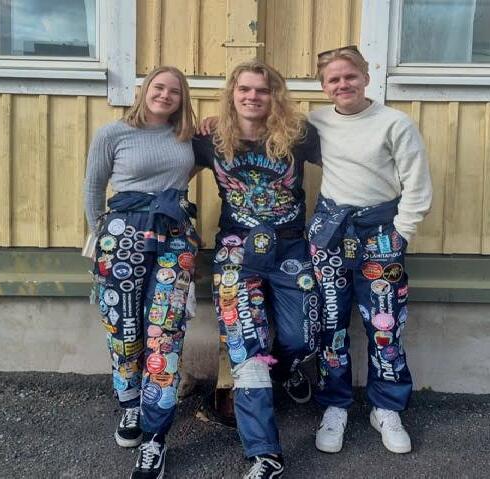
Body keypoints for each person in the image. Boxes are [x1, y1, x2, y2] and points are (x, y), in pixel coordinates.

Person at [193, 61, 322, 478]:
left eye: (262, 90)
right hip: (236, 249)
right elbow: (166, 169)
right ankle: (265, 453)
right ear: (232, 94)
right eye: (244, 89)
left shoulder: (299, 136)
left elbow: (351, 159)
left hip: (290, 246)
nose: (252, 96)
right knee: (246, 346)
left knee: (303, 337)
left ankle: (285, 370)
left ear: (275, 96)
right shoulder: (210, 139)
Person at [307, 46, 433, 455]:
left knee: (385, 323)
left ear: (366, 76)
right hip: (330, 232)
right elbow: (265, 131)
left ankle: (387, 406)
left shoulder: (394, 123)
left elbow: (417, 185)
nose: (343, 84)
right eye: (333, 79)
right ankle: (335, 404)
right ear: (324, 86)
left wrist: (401, 233)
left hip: (381, 234)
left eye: (350, 76)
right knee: (331, 322)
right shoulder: (315, 122)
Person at [84, 66, 199, 479]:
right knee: (123, 328)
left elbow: (215, 154)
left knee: (164, 333)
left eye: (174, 91)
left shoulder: (188, 136)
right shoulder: (112, 134)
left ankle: (155, 437)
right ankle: (130, 403)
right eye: (158, 87)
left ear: (182, 99)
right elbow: (93, 187)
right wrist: (100, 235)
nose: (165, 95)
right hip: (123, 235)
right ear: (144, 90)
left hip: (173, 237)